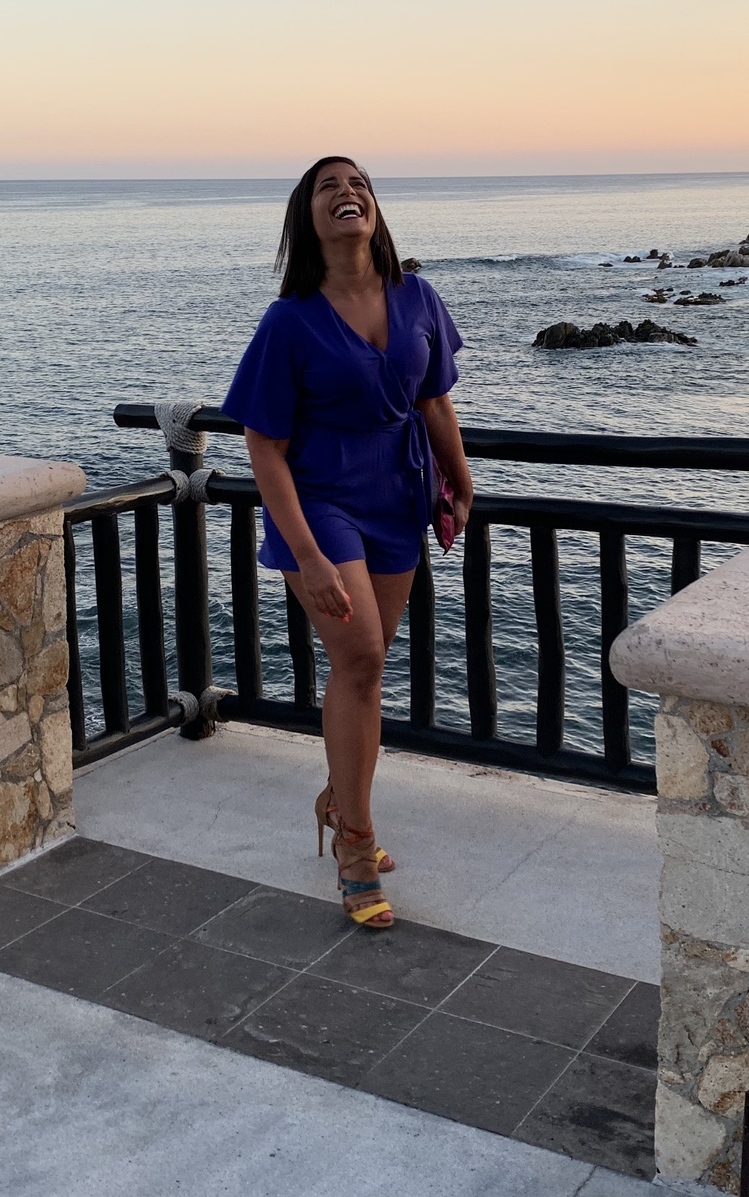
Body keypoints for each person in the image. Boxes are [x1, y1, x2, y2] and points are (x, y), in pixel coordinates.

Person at [222, 156, 473, 929]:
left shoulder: (419, 297)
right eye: (328, 186)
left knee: (366, 664)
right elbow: (264, 446)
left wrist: (461, 483)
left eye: (358, 182)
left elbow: (434, 403)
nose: (347, 192)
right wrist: (306, 551)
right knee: (360, 655)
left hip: (398, 495)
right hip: (321, 500)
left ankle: (339, 795)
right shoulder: (289, 321)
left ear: (376, 208)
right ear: (307, 218)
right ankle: (355, 845)